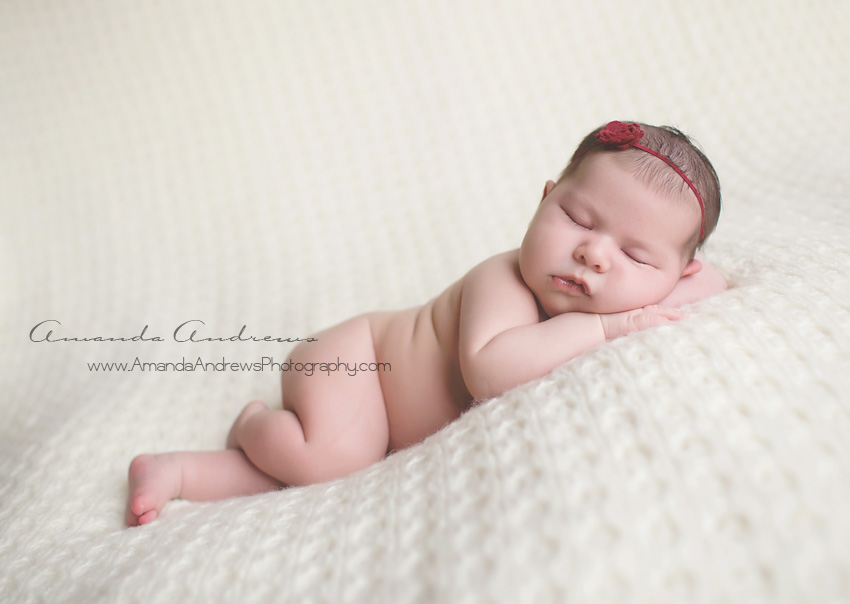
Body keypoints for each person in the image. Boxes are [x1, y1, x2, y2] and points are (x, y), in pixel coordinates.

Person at [126, 121, 727, 526]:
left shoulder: (637, 289)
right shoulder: (506, 280)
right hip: (359, 362)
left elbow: (712, 284)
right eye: (577, 217)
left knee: (305, 478)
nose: (594, 254)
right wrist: (607, 327)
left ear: (677, 271)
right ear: (544, 199)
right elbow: (492, 371)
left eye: (637, 256)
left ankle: (177, 470)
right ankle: (255, 424)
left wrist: (659, 288)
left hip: (381, 420)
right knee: (334, 458)